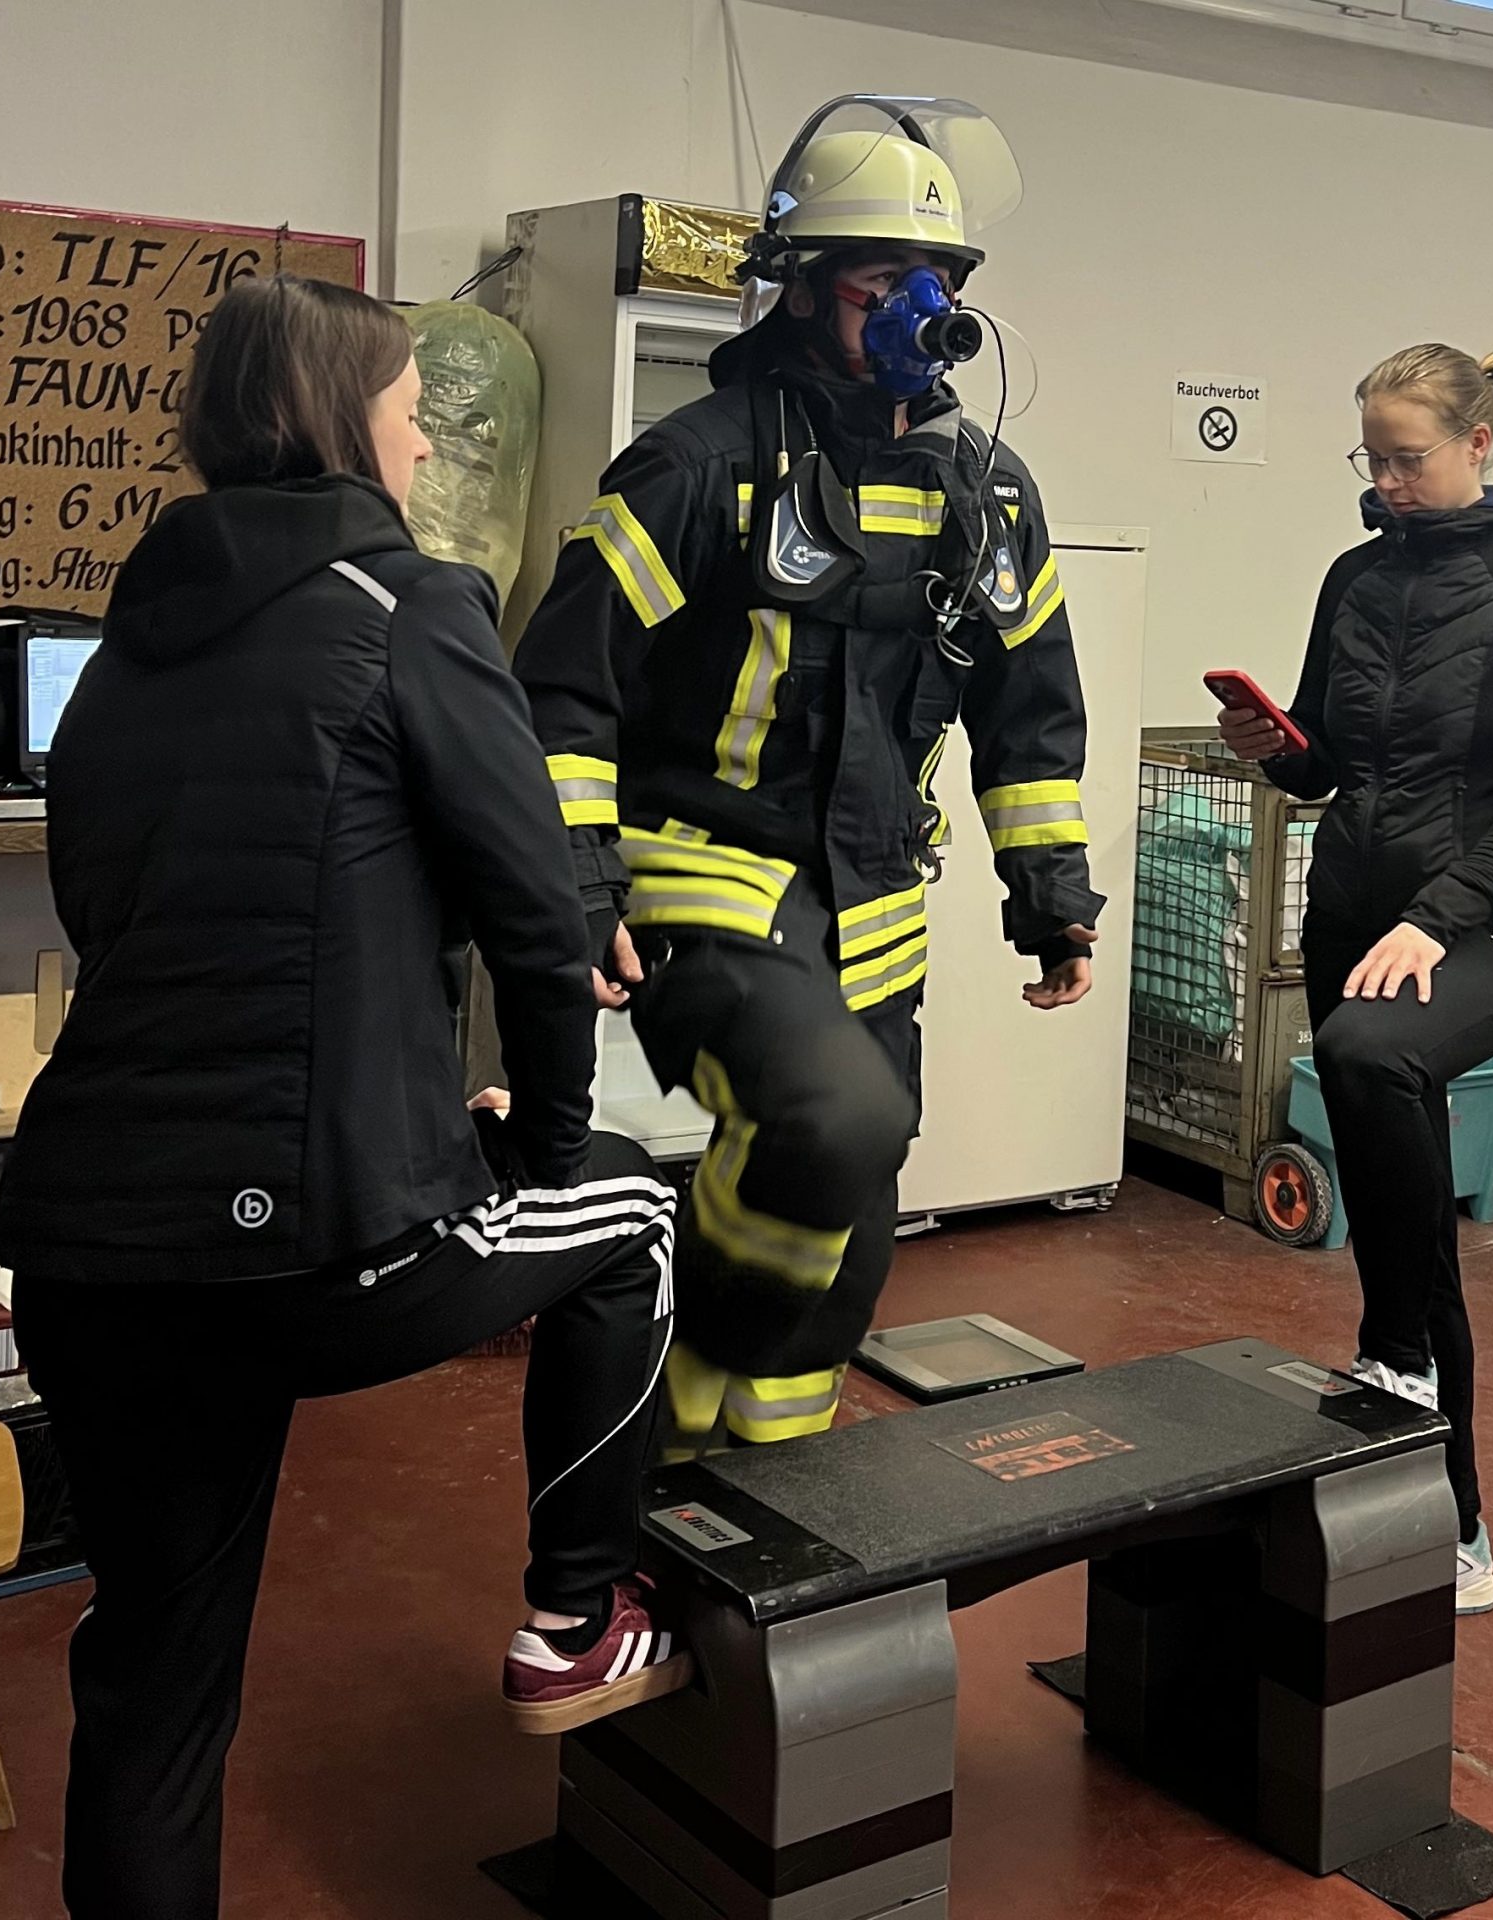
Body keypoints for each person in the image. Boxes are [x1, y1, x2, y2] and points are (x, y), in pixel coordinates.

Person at [0, 274, 683, 1920]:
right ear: (338, 420)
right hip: (302, 1242)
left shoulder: (127, 647)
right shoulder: (410, 604)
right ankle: (578, 1618)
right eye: (408, 408)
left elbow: (121, 917)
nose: (428, 438)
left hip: (87, 1246)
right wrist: (539, 1153)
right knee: (638, 1218)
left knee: (155, 1681)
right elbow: (542, 922)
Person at [515, 96, 1101, 1457]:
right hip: (704, 880)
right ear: (799, 286)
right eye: (881, 281)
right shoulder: (700, 464)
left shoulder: (989, 491)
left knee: (854, 1216)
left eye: (935, 280)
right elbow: (559, 689)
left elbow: (1031, 712)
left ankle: (769, 1479)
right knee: (836, 1122)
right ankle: (670, 1388)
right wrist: (578, 882)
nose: (918, 310)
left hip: (876, 903)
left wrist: (1052, 896)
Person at [1219, 343, 1493, 1617]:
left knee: (1370, 1054)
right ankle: (1440, 1490)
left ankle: (1401, 1375)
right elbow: (1328, 761)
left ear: (1477, 444)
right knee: (1399, 1203)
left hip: (1488, 926)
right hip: (1357, 914)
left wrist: (1443, 916)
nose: (1385, 482)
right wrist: (1271, 745)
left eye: (1408, 459)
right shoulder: (1355, 577)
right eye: (1371, 459)